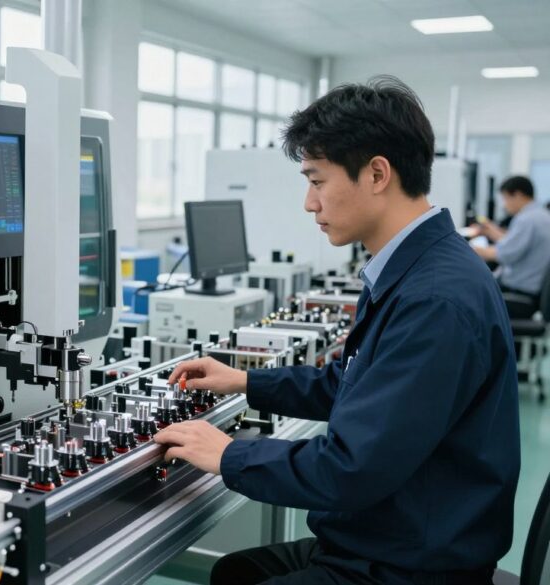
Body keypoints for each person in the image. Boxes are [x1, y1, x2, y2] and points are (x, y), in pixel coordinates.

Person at [156, 77, 520, 584]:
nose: (309, 202)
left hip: (411, 564)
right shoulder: (411, 268)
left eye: (317, 180)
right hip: (388, 534)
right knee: (235, 572)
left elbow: (352, 468)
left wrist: (229, 453)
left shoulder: (434, 300)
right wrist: (245, 381)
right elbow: (350, 387)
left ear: (376, 174)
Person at [470, 176, 550, 318]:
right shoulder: (541, 215)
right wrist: (492, 230)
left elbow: (504, 254)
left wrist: (468, 249)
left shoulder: (527, 219)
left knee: (467, 296)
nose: (504, 205)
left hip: (519, 294)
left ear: (518, 195)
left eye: (506, 199)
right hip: (530, 291)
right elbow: (515, 243)